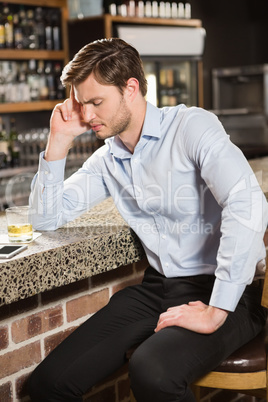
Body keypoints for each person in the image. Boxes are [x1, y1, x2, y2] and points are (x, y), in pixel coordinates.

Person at [28, 38, 268, 402]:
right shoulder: (107, 161)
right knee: (49, 384)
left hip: (228, 291)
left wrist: (217, 310)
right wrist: (58, 142)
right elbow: (46, 219)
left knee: (151, 372)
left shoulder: (191, 127)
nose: (88, 115)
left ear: (131, 88)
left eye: (97, 102)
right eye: (82, 103)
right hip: (159, 288)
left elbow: (246, 203)